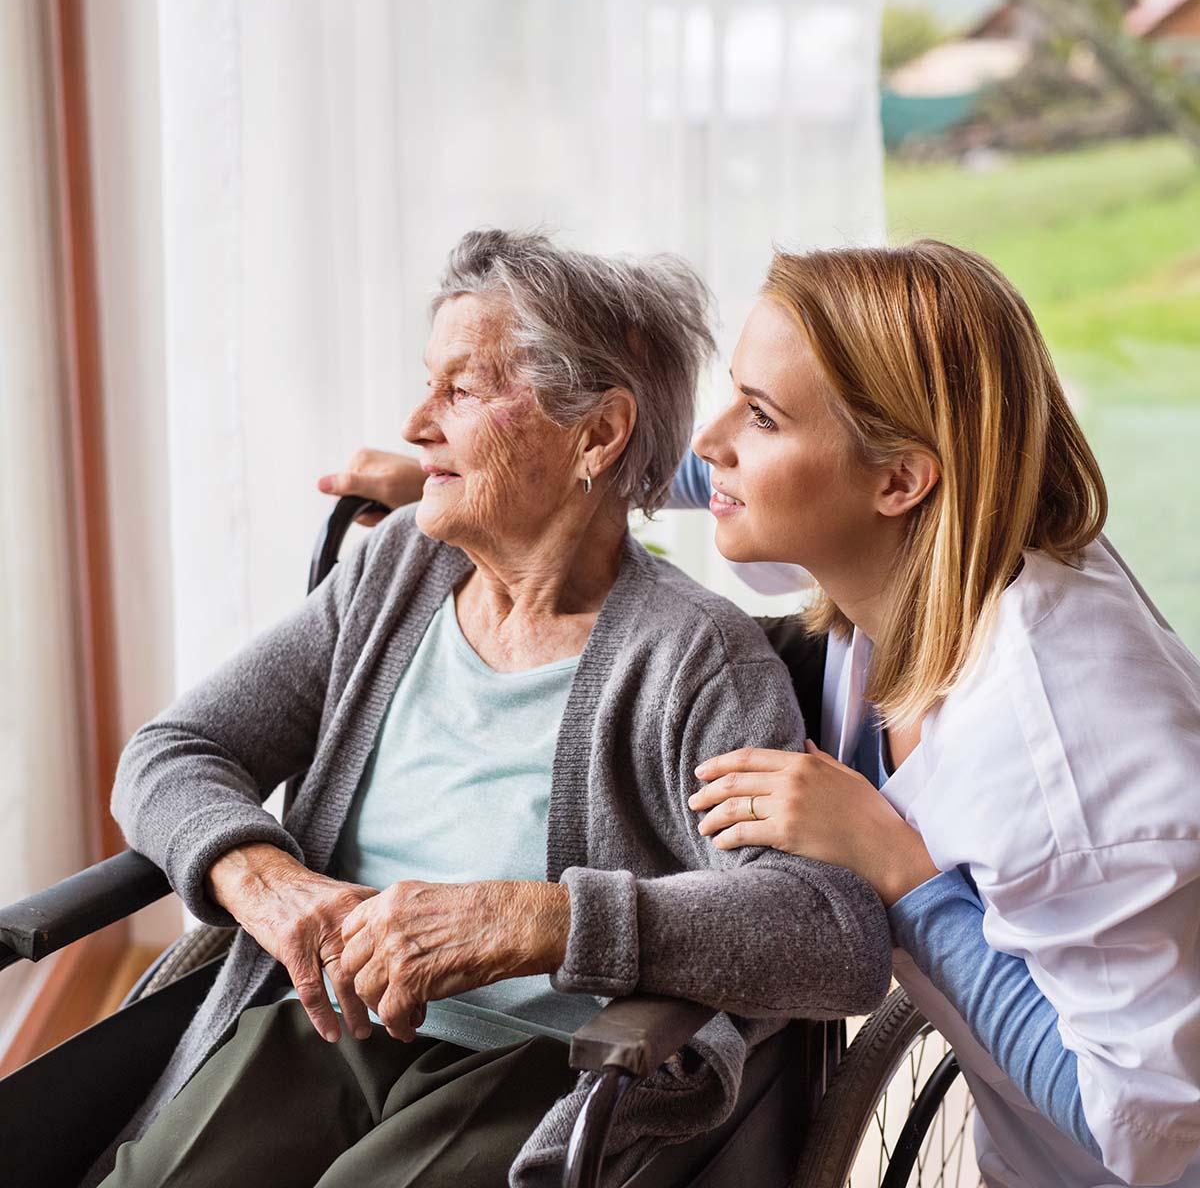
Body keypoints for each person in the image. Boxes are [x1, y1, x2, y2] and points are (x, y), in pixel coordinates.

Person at [334, 241, 1200, 1188]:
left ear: (900, 479)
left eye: (760, 415)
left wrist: (900, 873)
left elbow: (1143, 1126)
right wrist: (504, 478)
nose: (710, 441)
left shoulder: (1065, 744)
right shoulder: (932, 543)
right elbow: (713, 469)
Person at [89, 230, 892, 1188]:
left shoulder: (692, 657)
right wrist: (271, 884)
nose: (417, 422)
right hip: (323, 1026)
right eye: (430, 384)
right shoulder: (396, 576)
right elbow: (174, 750)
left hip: (541, 1062)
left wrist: (540, 920)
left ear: (596, 435)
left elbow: (829, 931)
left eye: (461, 391)